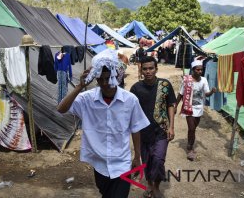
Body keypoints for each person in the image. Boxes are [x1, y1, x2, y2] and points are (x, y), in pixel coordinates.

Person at [57, 49, 150, 198]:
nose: (106, 83)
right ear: (96, 79)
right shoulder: (86, 99)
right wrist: (79, 86)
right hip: (99, 164)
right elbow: (61, 109)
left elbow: (136, 128)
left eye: (109, 78)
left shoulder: (130, 100)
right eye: (101, 79)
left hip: (122, 163)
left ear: (117, 76)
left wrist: (137, 156)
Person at [130, 56, 176, 198]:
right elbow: (131, 110)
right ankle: (149, 184)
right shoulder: (136, 88)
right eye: (145, 69)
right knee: (147, 160)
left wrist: (172, 127)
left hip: (161, 130)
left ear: (156, 69)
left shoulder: (165, 85)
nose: (148, 71)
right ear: (141, 70)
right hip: (143, 133)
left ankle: (156, 186)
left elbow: (170, 105)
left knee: (158, 159)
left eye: (151, 68)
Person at [174, 58, 216, 161]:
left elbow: (206, 93)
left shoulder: (204, 80)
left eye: (201, 70)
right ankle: (189, 149)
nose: (200, 71)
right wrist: (175, 106)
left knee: (193, 129)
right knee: (191, 128)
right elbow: (181, 93)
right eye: (197, 69)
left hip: (199, 108)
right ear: (193, 70)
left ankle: (190, 143)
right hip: (188, 107)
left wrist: (212, 92)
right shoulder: (187, 80)